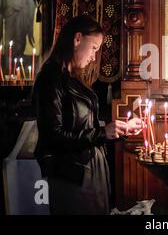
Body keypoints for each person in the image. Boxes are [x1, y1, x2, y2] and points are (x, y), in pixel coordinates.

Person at [32, 15, 141, 215]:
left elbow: (85, 126)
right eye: (94, 48)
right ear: (77, 39)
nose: (93, 57)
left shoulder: (74, 79)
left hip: (90, 168)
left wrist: (118, 129)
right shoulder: (50, 78)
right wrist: (101, 133)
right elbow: (52, 136)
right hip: (71, 175)